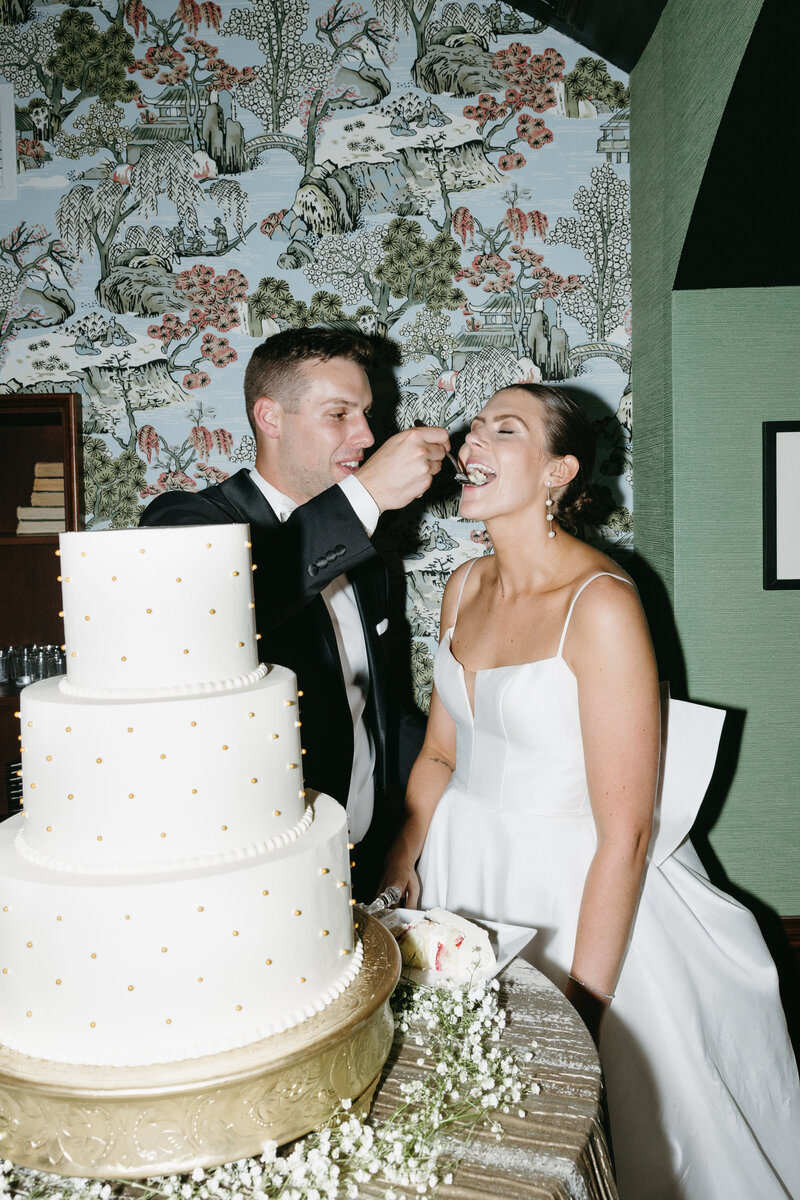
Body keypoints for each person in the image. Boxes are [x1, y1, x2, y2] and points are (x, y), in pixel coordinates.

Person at [381, 382, 800, 1200]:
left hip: (578, 897)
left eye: (506, 430)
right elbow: (438, 757)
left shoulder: (601, 604)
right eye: (474, 429)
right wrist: (401, 864)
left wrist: (583, 1005)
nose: (473, 444)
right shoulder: (462, 587)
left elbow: (628, 833)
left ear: (558, 472)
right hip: (466, 880)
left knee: (603, 1128)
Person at [140, 327, 449, 898]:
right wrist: (368, 496)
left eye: (366, 413)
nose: (366, 435)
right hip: (252, 871)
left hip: (368, 855)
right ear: (270, 417)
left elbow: (379, 709)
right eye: (339, 414)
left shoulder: (368, 557)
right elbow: (221, 610)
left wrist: (421, 821)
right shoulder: (185, 520)